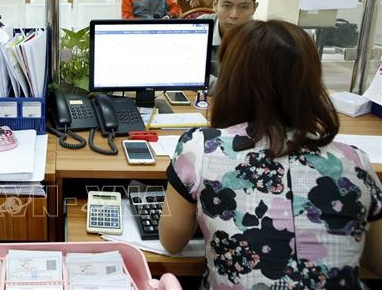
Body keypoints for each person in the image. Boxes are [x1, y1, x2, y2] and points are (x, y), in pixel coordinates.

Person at [160, 20, 382, 289]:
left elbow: (171, 242)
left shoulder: (201, 147)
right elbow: (377, 262)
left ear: (232, 79)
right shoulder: (355, 162)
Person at [199, 0, 258, 77]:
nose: (234, 15)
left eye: (243, 7)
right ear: (215, 5)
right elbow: (189, 72)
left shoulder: (262, 38)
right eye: (227, 6)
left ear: (254, 8)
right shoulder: (200, 27)